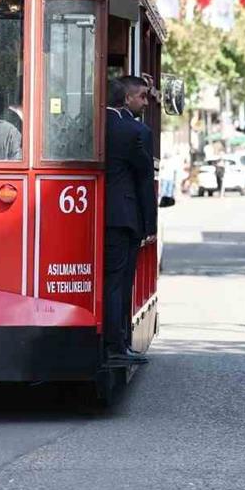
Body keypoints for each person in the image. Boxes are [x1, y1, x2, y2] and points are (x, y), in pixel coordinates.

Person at [103, 76, 156, 365]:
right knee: (119, 283)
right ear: (126, 99)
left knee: (108, 281)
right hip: (124, 218)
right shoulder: (135, 131)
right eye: (143, 96)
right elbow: (144, 179)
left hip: (95, 213)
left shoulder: (90, 125)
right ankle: (116, 345)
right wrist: (150, 225)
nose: (146, 102)